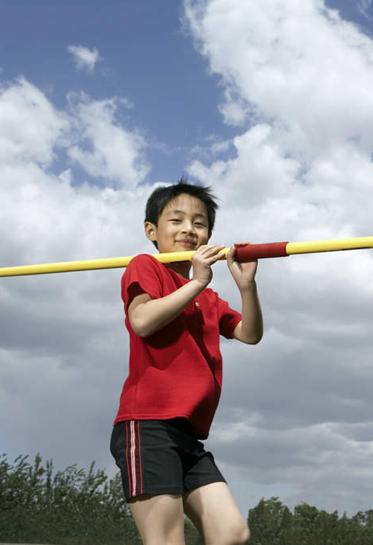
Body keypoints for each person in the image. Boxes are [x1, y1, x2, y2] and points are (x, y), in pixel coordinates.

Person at [110, 180, 262, 545]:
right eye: (176, 220)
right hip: (147, 426)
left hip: (187, 434)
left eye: (199, 223)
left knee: (231, 533)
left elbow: (249, 333)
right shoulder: (145, 266)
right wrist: (196, 282)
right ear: (151, 230)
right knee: (165, 540)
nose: (188, 230)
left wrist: (246, 287)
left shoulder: (207, 296)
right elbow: (143, 321)